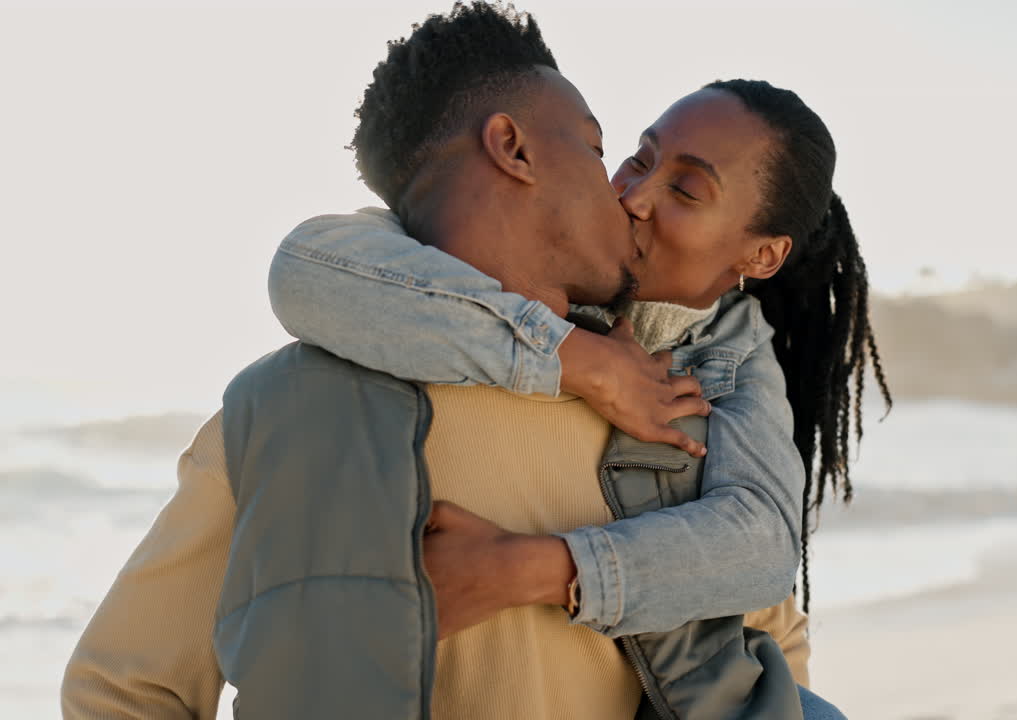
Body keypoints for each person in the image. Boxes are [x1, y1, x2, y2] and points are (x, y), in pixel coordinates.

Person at [61, 3, 885, 719]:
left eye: (683, 187)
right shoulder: (286, 406)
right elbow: (122, 693)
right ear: (513, 150)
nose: (627, 192)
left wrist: (533, 566)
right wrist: (574, 361)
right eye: (611, 153)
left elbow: (766, 644)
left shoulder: (685, 402)